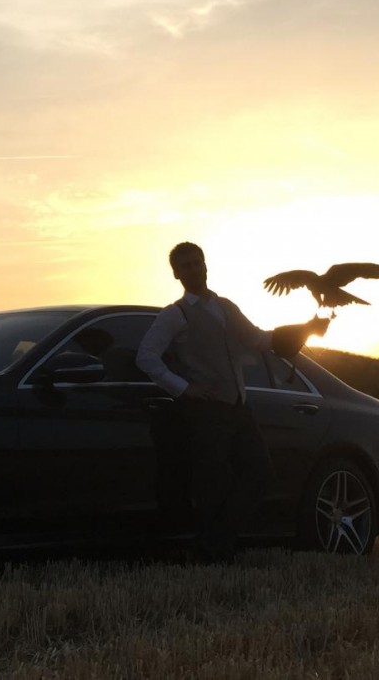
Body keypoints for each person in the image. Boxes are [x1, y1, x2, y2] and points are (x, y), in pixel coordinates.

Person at [136, 241, 325, 562]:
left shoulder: (226, 307)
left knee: (260, 473)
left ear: (206, 265)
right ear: (176, 274)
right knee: (213, 485)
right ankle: (214, 550)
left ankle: (216, 543)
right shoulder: (175, 314)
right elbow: (146, 356)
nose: (193, 270)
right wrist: (184, 388)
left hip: (238, 407)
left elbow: (259, 339)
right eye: (185, 266)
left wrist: (305, 329)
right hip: (204, 412)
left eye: (197, 263)